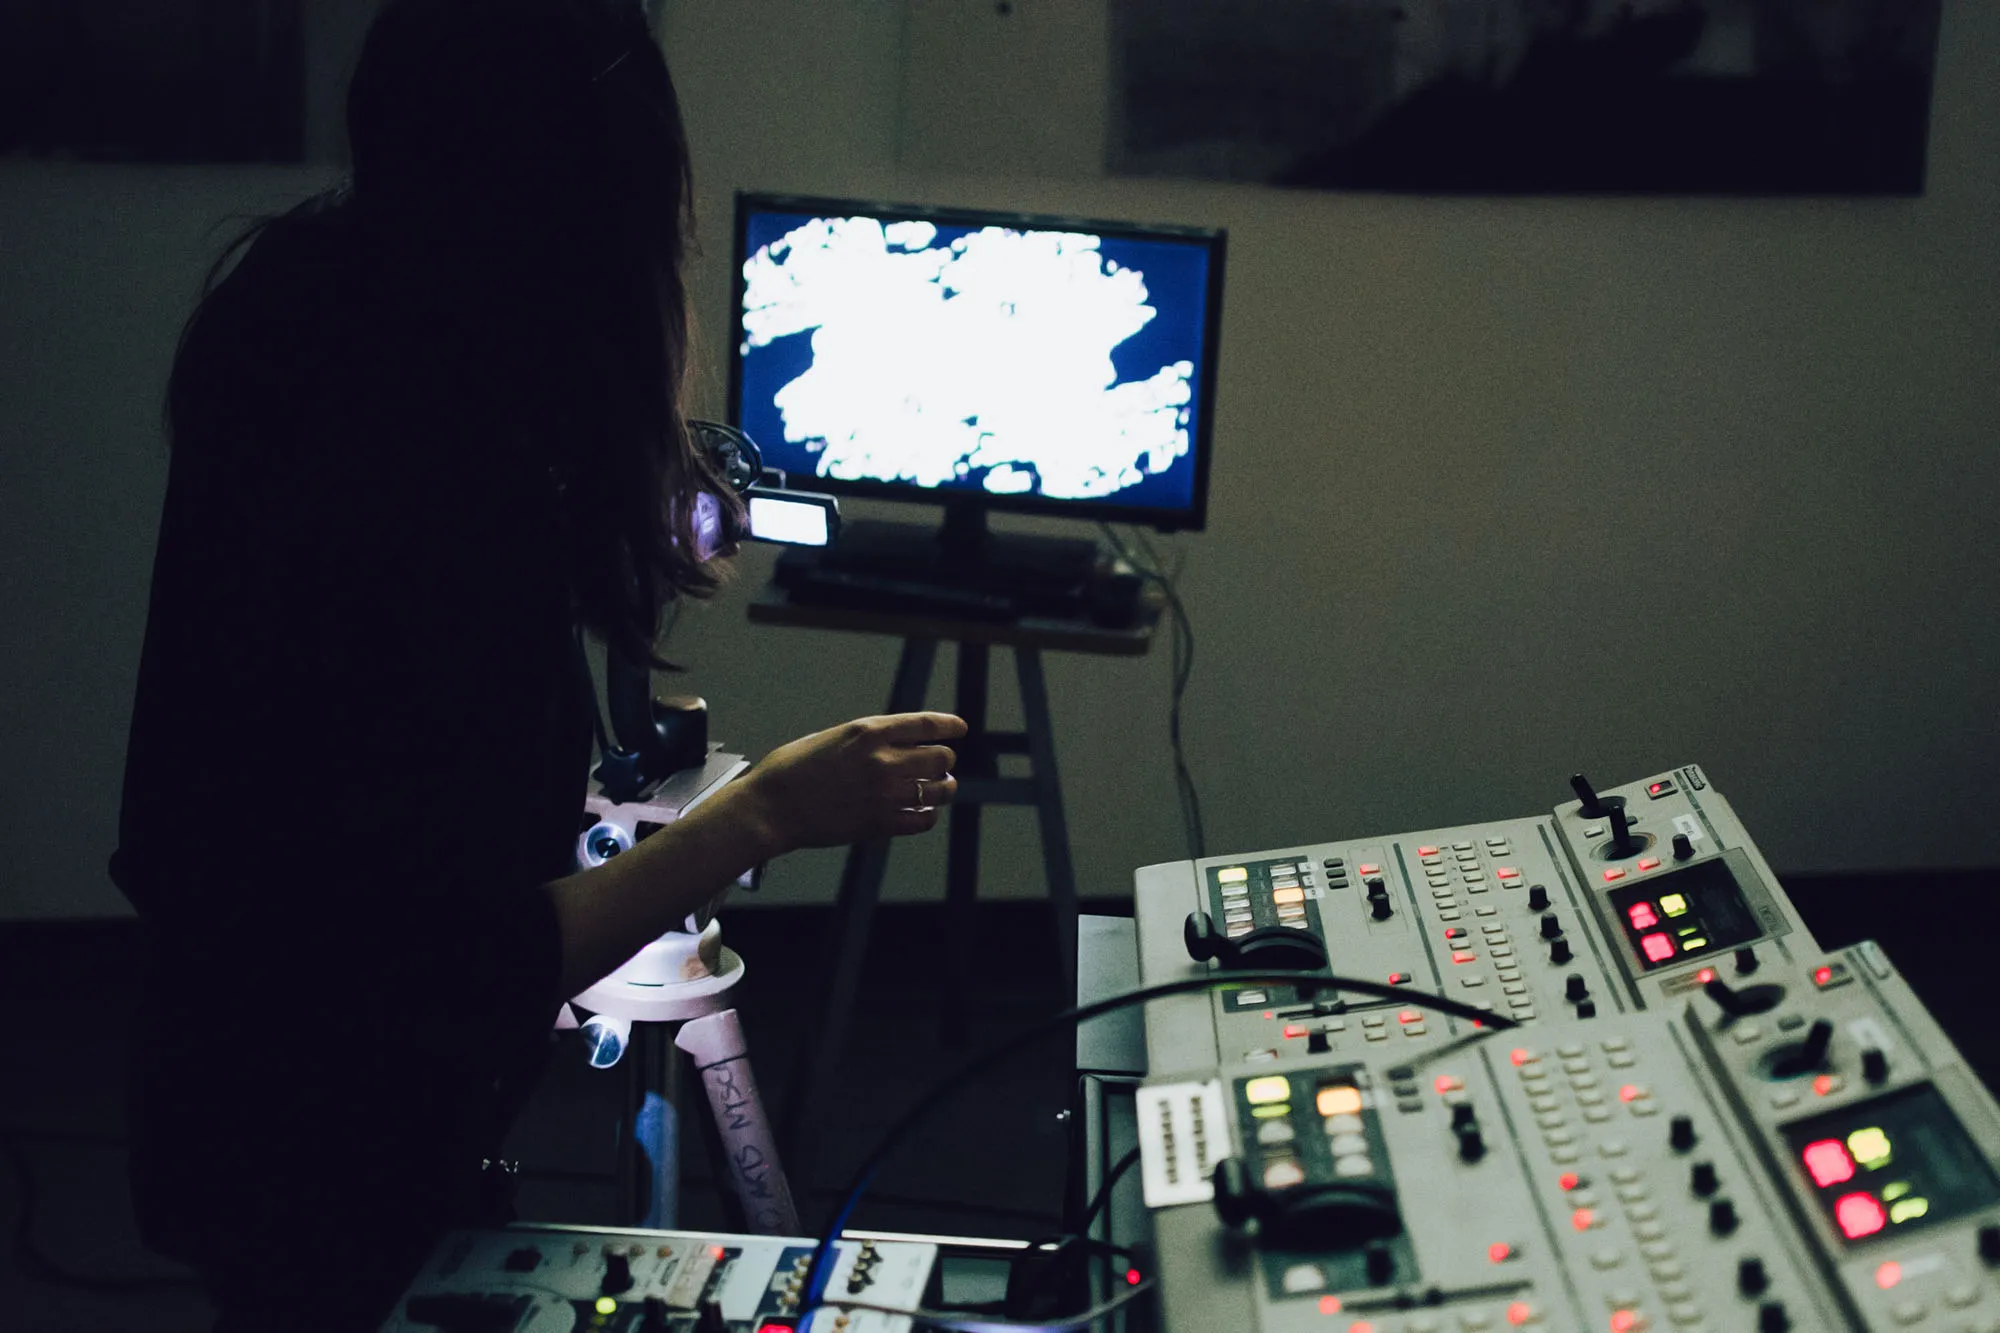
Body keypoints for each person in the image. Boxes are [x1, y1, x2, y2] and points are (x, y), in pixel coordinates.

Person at [110, 2, 963, 1328]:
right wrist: (769, 812)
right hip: (331, 1147)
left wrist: (618, 486)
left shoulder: (304, 315)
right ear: (597, 212)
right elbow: (463, 967)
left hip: (221, 1087)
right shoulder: (437, 480)